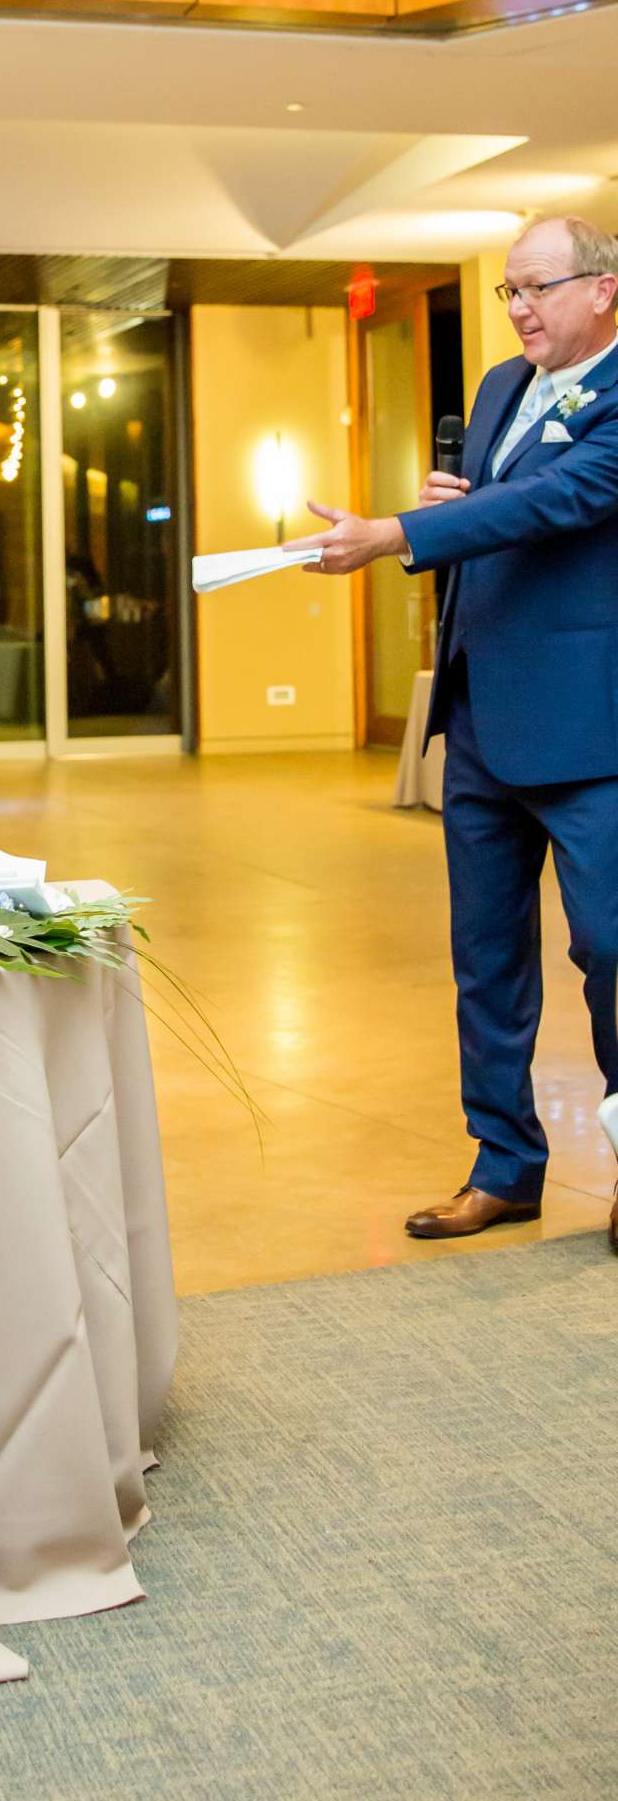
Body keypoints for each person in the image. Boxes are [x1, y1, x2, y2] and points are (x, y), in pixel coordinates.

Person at [296, 214, 618, 1255]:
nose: (517, 308)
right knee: (484, 959)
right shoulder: (493, 389)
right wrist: (453, 504)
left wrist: (399, 532)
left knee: (609, 948)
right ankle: (502, 1167)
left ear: (603, 289)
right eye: (507, 293)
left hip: (588, 722)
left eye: (536, 288)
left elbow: (565, 499)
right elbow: (503, 510)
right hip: (478, 715)